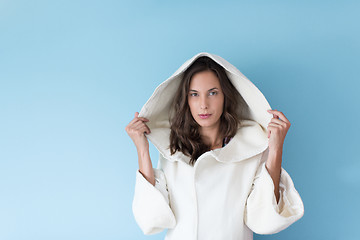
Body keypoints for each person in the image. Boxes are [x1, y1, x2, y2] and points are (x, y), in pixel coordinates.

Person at [125, 52, 304, 240]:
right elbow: (152, 218)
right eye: (194, 94)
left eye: (212, 93)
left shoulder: (250, 147)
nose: (203, 105)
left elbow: (263, 218)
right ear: (186, 100)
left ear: (225, 96)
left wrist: (276, 148)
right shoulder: (173, 148)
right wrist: (142, 148)